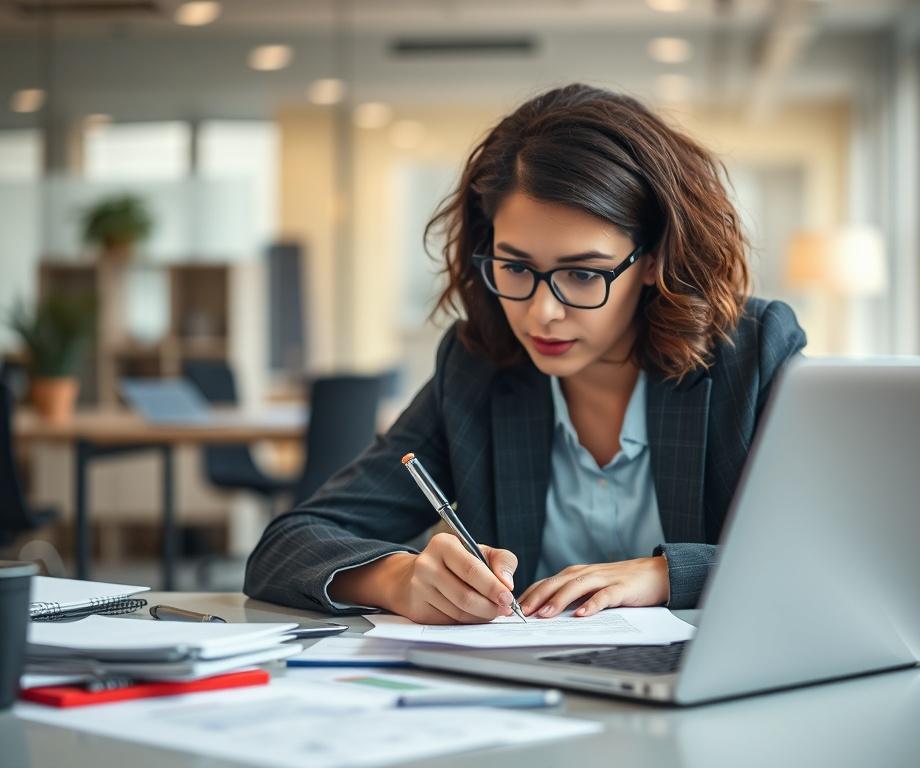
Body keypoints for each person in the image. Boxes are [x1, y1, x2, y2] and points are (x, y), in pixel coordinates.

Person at [244, 83, 806, 624]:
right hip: (534, 698)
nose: (541, 313)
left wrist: (663, 575)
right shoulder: (477, 370)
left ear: (656, 257)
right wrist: (399, 580)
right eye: (516, 267)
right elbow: (289, 544)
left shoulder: (752, 352)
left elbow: (829, 555)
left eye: (583, 273)